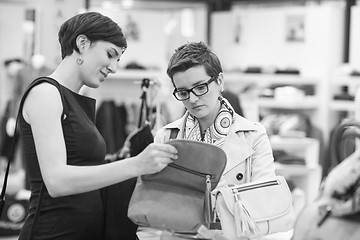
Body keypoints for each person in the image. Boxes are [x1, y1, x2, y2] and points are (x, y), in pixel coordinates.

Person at [17, 11, 177, 240]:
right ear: (82, 43)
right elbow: (56, 181)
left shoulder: (77, 101)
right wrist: (136, 164)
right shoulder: (46, 93)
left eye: (118, 60)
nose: (113, 67)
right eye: (110, 54)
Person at [139, 42, 276, 239]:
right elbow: (152, 206)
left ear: (219, 81)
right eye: (184, 92)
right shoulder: (168, 136)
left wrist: (222, 197)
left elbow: (265, 204)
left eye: (200, 87)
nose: (193, 99)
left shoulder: (253, 136)